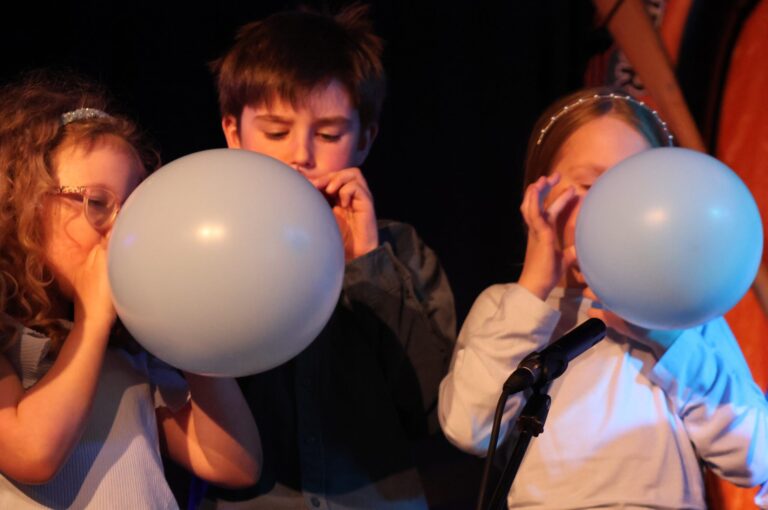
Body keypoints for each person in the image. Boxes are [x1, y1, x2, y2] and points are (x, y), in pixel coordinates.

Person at [438, 86, 768, 509]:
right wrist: (534, 290)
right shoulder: (507, 306)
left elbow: (756, 457)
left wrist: (666, 341)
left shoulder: (684, 312)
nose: (616, 208)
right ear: (540, 193)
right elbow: (470, 427)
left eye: (637, 189)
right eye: (592, 184)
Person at [202, 4, 458, 510]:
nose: (301, 154)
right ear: (233, 133)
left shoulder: (401, 253)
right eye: (276, 132)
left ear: (364, 139)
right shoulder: (207, 250)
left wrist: (367, 264)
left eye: (329, 133)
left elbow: (434, 413)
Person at [0, 71, 262, 509]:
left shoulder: (130, 355)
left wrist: (190, 329)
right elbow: (32, 454)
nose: (123, 229)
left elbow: (234, 465)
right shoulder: (7, 341)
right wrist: (92, 320)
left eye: (137, 207)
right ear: (23, 204)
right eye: (98, 203)